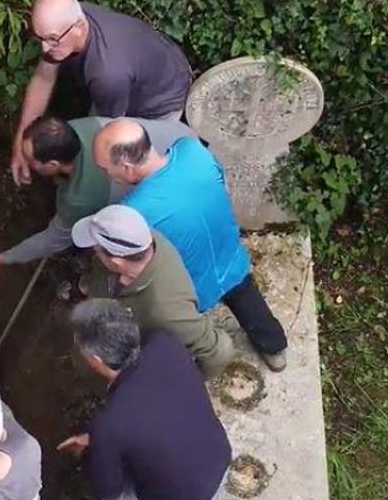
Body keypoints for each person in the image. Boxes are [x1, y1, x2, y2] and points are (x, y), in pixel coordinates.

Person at [59, 300, 230, 500]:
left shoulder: (112, 422)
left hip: (181, 496)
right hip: (215, 459)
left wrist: (94, 450)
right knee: (159, 496)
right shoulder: (165, 345)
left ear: (96, 360)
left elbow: (106, 487)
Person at [94, 120, 290, 371]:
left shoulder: (134, 212)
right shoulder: (191, 149)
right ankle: (274, 348)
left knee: (187, 331)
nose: (105, 175)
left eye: (105, 169)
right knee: (249, 302)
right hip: (231, 259)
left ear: (127, 167)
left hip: (193, 286)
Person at [9, 0, 192, 185]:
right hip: (148, 63)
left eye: (52, 39)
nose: (45, 48)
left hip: (161, 102)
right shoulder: (70, 21)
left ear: (78, 27)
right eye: (41, 38)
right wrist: (21, 144)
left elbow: (108, 131)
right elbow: (44, 78)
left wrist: (78, 183)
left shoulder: (108, 75)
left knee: (118, 165)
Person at [0, 115, 192, 273]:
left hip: (181, 188)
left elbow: (53, 240)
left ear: (52, 165)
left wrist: (3, 258)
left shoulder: (81, 198)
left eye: (30, 160)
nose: (26, 163)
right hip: (184, 138)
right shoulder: (80, 127)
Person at [72, 205, 234, 378]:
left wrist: (190, 383)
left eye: (96, 250)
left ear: (117, 262)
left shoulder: (166, 311)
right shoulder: (140, 238)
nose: (94, 253)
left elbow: (219, 352)